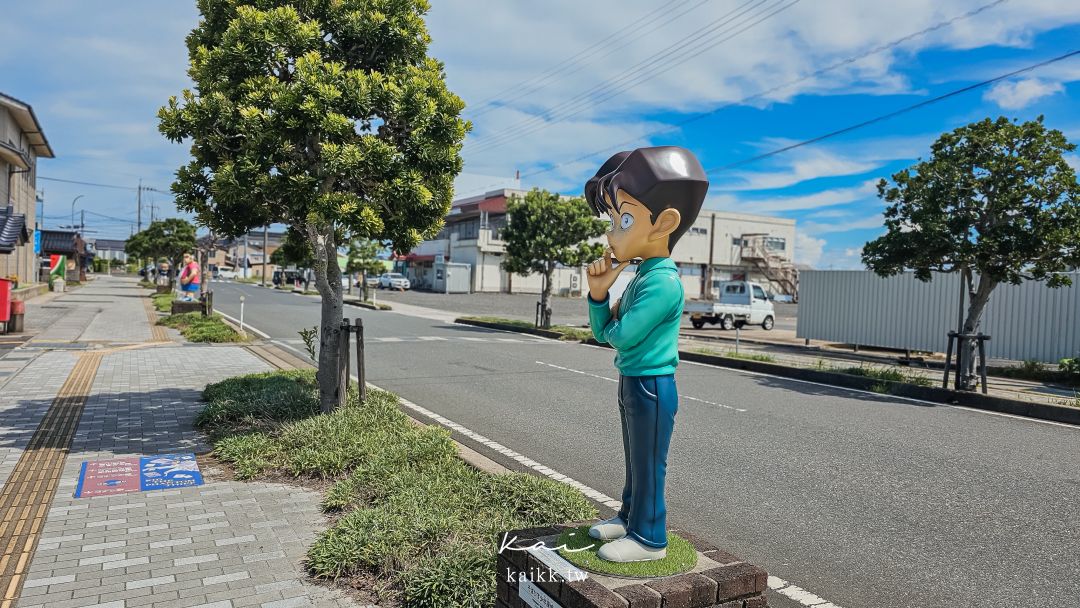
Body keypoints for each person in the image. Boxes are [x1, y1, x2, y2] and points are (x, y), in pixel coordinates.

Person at [582, 147, 708, 563]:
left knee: (649, 463)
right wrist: (599, 295)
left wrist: (608, 307)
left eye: (626, 219)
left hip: (652, 384)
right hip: (633, 380)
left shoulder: (662, 284)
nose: (613, 231)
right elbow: (605, 333)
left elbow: (620, 336)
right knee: (635, 462)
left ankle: (651, 538)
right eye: (616, 220)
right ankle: (629, 517)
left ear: (665, 224)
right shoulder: (642, 275)